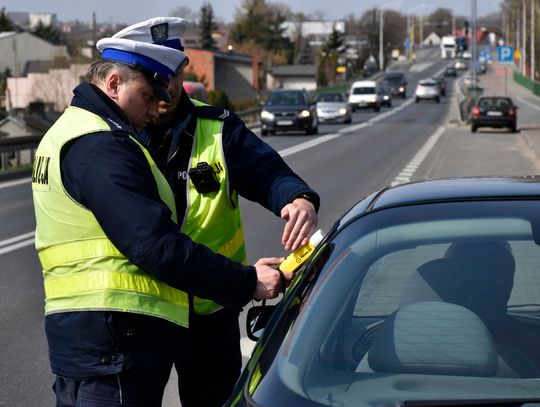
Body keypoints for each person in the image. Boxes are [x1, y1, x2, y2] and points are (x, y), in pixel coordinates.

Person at [31, 17, 291, 407]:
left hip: (101, 339)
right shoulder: (102, 145)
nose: (157, 108)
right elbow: (154, 244)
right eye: (149, 97)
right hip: (114, 341)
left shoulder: (76, 130)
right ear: (114, 83)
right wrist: (246, 281)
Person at [112, 17, 320, 407]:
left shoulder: (218, 127)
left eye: (174, 73)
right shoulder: (114, 135)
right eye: (158, 75)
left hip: (209, 307)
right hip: (142, 314)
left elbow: (268, 173)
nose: (167, 86)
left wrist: (298, 199)